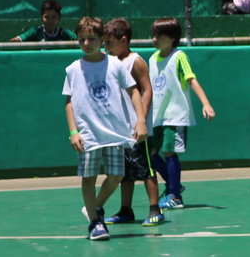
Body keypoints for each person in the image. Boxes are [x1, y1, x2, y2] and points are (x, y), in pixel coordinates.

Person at [64, 17, 138, 241]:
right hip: (87, 135)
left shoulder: (116, 64)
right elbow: (69, 102)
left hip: (113, 133)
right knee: (89, 177)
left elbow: (134, 91)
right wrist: (74, 132)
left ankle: (94, 208)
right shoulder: (73, 69)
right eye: (81, 40)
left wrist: (141, 121)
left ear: (102, 39)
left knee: (116, 175)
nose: (86, 43)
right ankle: (95, 223)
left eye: (91, 39)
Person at [148, 18, 216, 210]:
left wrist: (206, 104)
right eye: (153, 35)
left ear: (172, 38)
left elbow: (191, 79)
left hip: (175, 115)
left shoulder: (179, 57)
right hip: (156, 116)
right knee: (151, 154)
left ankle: (175, 196)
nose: (155, 39)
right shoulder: (152, 59)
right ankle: (174, 186)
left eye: (159, 36)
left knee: (169, 151)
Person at [101, 18, 159, 226]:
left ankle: (155, 209)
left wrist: (141, 121)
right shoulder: (112, 62)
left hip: (138, 129)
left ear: (124, 40)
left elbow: (147, 90)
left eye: (109, 42)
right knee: (125, 172)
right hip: (121, 129)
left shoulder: (136, 61)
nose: (106, 47)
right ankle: (126, 210)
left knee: (146, 169)